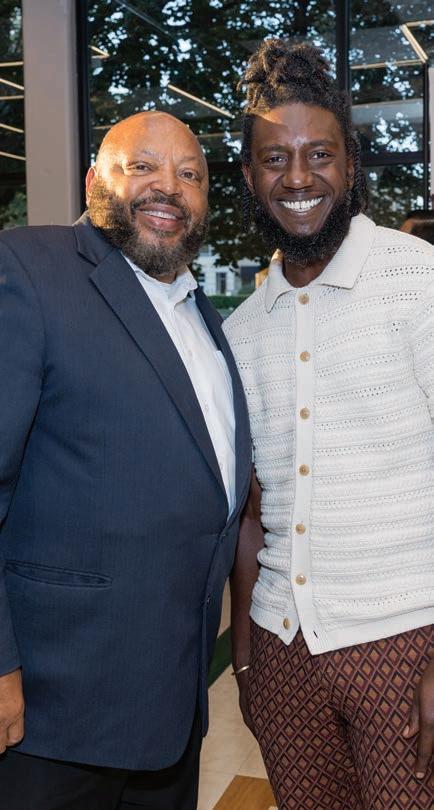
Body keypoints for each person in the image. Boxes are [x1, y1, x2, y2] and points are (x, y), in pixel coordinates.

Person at [0, 110, 251, 810]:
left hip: (167, 712)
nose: (168, 186)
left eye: (190, 174)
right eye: (142, 166)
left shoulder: (201, 315)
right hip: (51, 714)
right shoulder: (30, 268)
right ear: (93, 182)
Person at [223, 40, 434, 809]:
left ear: (351, 165)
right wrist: (246, 661)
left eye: (319, 154)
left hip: (409, 643)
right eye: (275, 159)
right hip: (282, 651)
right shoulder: (242, 330)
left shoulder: (419, 282)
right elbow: (251, 511)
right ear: (250, 176)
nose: (298, 177)